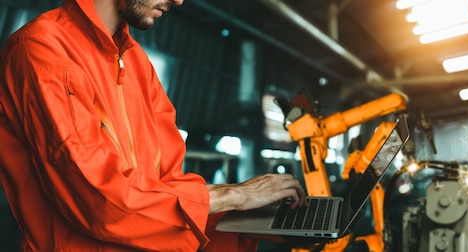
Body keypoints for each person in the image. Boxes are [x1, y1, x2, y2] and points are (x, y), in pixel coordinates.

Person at [0, 0, 307, 251]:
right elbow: (98, 201)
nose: (178, 1)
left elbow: (169, 187)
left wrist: (254, 216)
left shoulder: (138, 65)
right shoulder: (42, 50)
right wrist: (233, 197)